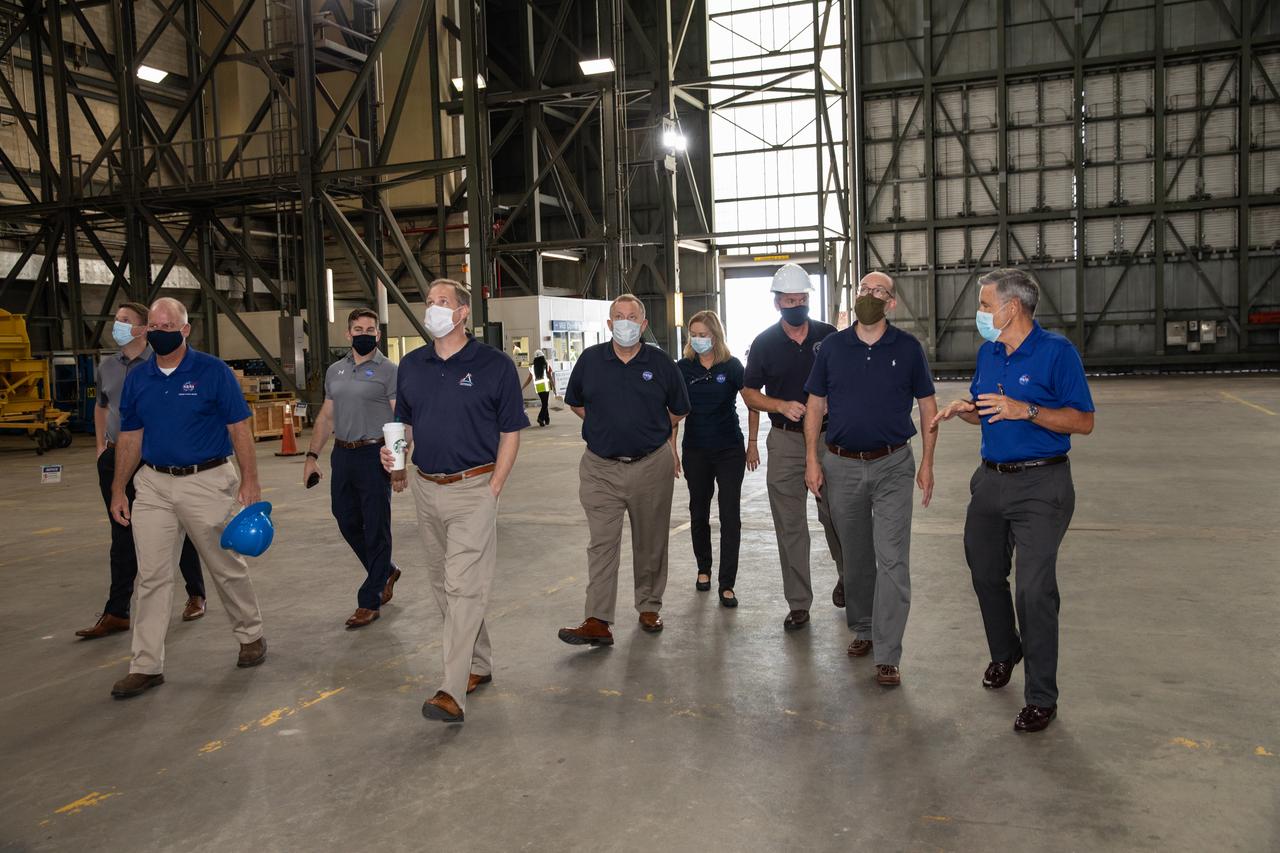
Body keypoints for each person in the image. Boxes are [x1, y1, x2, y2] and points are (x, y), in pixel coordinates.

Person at [931, 268, 1095, 733]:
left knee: (1033, 590)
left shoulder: (1056, 353)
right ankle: (1006, 651)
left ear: (1012, 307)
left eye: (985, 305)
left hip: (1042, 486)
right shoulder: (989, 352)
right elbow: (992, 411)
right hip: (990, 482)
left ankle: (1042, 697)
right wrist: (969, 410)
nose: (979, 314)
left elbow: (1083, 422)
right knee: (984, 572)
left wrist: (1029, 410)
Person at [107, 297, 267, 699]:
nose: (160, 331)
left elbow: (239, 430)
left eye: (168, 325)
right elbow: (130, 437)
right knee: (152, 576)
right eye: (154, 326)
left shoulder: (212, 372)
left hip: (206, 480)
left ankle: (251, 635)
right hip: (154, 484)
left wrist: (251, 481)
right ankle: (145, 665)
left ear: (185, 329)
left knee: (224, 564)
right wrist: (118, 488)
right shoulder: (139, 378)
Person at [384, 279, 527, 724]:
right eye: (428, 302)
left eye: (442, 302)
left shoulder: (494, 365)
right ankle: (477, 663)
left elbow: (511, 430)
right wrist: (395, 457)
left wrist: (495, 485)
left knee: (463, 585)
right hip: (426, 487)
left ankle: (450, 690)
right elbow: (405, 422)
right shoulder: (411, 365)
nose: (432, 309)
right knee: (443, 586)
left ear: (463, 313)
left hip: (475, 488)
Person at [803, 272, 938, 687]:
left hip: (893, 464)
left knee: (893, 558)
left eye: (879, 292)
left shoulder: (908, 348)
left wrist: (928, 463)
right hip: (841, 463)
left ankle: (888, 651)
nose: (870, 296)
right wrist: (812, 458)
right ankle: (862, 627)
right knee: (857, 557)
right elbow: (815, 404)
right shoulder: (832, 348)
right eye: (864, 289)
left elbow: (928, 407)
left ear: (891, 304)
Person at [557, 294, 690, 647]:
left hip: (650, 465)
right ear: (609, 324)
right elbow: (576, 402)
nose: (626, 321)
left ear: (643, 324)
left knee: (650, 541)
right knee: (602, 544)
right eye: (619, 316)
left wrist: (649, 429)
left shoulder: (660, 363)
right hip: (600, 468)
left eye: (633, 316)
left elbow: (678, 409)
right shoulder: (591, 361)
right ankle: (598, 619)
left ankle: (648, 606)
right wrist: (606, 425)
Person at [76, 302, 209, 639]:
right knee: (121, 533)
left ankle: (196, 593)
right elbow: (101, 406)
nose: (118, 326)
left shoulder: (159, 364)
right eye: (116, 320)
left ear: (143, 329)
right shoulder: (107, 367)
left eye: (125, 321)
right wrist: (101, 447)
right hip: (116, 458)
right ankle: (117, 611)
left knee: (177, 527)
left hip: (153, 457)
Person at [742, 263, 844, 630]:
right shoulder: (765, 343)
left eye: (802, 300)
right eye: (790, 300)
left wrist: (836, 399)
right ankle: (799, 602)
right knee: (790, 524)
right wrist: (779, 405)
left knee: (837, 515)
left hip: (831, 441)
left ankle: (848, 576)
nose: (797, 305)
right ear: (777, 304)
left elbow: (848, 380)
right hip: (785, 440)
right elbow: (749, 392)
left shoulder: (830, 337)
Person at [303, 307, 401, 629]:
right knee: (345, 519)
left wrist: (400, 460)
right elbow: (326, 417)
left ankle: (369, 599)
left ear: (378, 334)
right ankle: (384, 570)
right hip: (342, 455)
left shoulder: (389, 370)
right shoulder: (335, 371)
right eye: (357, 329)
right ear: (348, 334)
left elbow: (400, 418)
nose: (363, 334)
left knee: (375, 525)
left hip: (375, 455)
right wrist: (311, 456)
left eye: (369, 329)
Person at [675, 310, 748, 607]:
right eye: (694, 334)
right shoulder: (683, 368)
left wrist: (753, 442)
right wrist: (671, 451)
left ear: (715, 335)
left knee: (730, 516)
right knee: (698, 512)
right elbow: (673, 412)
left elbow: (752, 402)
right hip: (696, 450)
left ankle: (726, 583)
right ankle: (703, 568)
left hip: (729, 449)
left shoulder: (732, 367)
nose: (698, 339)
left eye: (703, 334)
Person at [521, 349, 557, 426]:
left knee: (544, 403)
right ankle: (540, 418)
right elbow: (550, 377)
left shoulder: (532, 367)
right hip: (545, 387)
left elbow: (529, 379)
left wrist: (522, 387)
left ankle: (546, 419)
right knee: (545, 404)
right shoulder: (546, 365)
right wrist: (554, 387)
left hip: (538, 388)